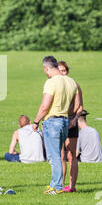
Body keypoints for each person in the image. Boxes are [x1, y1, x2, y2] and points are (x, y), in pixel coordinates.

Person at [32, 56, 80, 195]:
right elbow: (76, 105)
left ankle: (57, 187)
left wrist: (36, 121)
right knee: (59, 156)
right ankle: (54, 184)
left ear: (46, 68)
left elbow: (45, 106)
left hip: (52, 121)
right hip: (65, 120)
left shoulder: (51, 82)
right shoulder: (71, 82)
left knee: (54, 157)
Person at [58, 61, 83, 193]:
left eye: (64, 70)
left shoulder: (75, 85)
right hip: (58, 121)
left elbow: (80, 106)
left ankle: (72, 186)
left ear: (67, 71)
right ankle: (60, 185)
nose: (62, 73)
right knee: (60, 155)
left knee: (71, 155)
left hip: (71, 121)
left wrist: (74, 119)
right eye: (60, 71)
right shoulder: (54, 86)